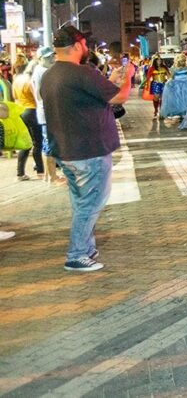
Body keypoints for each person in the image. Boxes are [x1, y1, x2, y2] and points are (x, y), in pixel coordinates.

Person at [39, 27, 136, 272]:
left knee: (81, 202)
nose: (86, 48)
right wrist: (128, 77)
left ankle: (87, 248)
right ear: (76, 46)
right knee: (91, 203)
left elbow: (88, 97)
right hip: (89, 150)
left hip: (66, 151)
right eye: (83, 44)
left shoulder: (50, 75)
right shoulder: (81, 73)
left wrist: (112, 79)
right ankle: (77, 254)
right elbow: (119, 98)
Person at [30, 47, 60, 184]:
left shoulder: (38, 70)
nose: (51, 59)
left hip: (45, 112)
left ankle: (49, 176)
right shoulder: (43, 72)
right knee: (49, 145)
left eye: (52, 57)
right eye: (48, 57)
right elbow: (43, 95)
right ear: (40, 58)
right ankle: (51, 177)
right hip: (47, 112)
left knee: (48, 144)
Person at [12, 59, 43, 181]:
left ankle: (20, 173)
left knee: (25, 143)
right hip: (32, 111)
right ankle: (40, 170)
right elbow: (37, 98)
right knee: (37, 142)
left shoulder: (17, 80)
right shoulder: (31, 81)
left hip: (21, 111)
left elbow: (14, 96)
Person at [160, 53, 187, 120]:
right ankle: (181, 113)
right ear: (178, 61)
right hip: (179, 86)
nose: (182, 62)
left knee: (185, 99)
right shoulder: (174, 69)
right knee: (180, 100)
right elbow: (172, 77)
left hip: (186, 86)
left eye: (183, 61)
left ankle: (185, 113)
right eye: (181, 61)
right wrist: (168, 83)